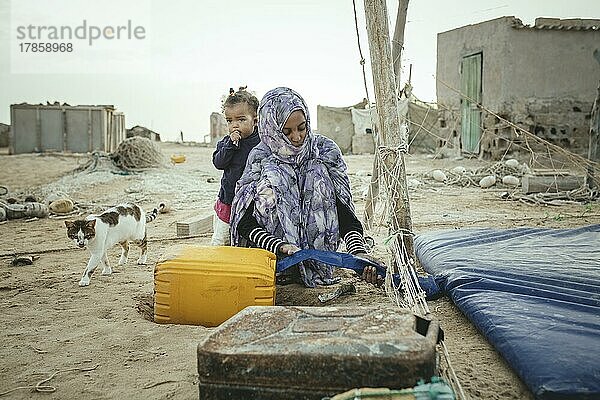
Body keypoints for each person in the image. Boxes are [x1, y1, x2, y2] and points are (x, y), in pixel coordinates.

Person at [230, 87, 383, 287]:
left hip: (321, 262)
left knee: (317, 172)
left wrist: (358, 253)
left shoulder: (324, 152)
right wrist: (280, 246)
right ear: (271, 129)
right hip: (276, 262)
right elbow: (244, 221)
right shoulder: (261, 159)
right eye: (286, 131)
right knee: (273, 179)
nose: (296, 137)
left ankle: (314, 265)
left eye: (302, 128)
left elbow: (344, 213)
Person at [210, 88, 261, 246]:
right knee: (221, 239)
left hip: (252, 203)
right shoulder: (226, 143)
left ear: (255, 120)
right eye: (229, 120)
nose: (234, 125)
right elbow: (219, 163)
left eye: (241, 120)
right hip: (228, 200)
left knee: (247, 239)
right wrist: (231, 145)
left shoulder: (262, 142)